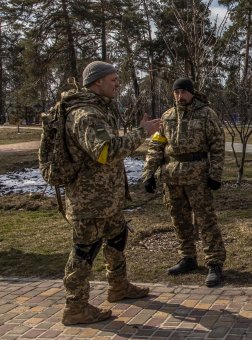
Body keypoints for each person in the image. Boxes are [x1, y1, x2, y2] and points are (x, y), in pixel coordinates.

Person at [61, 61, 161, 325]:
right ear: (97, 83)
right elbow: (105, 152)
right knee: (85, 251)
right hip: (89, 200)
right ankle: (75, 307)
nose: (118, 84)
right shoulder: (85, 114)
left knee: (117, 237)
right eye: (113, 79)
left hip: (107, 199)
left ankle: (118, 286)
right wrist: (143, 132)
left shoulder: (99, 109)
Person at [142, 78, 226, 287]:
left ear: (191, 93)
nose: (180, 96)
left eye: (183, 92)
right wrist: (149, 173)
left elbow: (217, 144)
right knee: (179, 220)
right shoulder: (168, 116)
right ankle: (187, 257)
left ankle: (214, 262)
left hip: (198, 175)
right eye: (176, 92)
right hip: (172, 176)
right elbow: (157, 145)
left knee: (205, 220)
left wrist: (215, 175)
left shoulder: (206, 114)